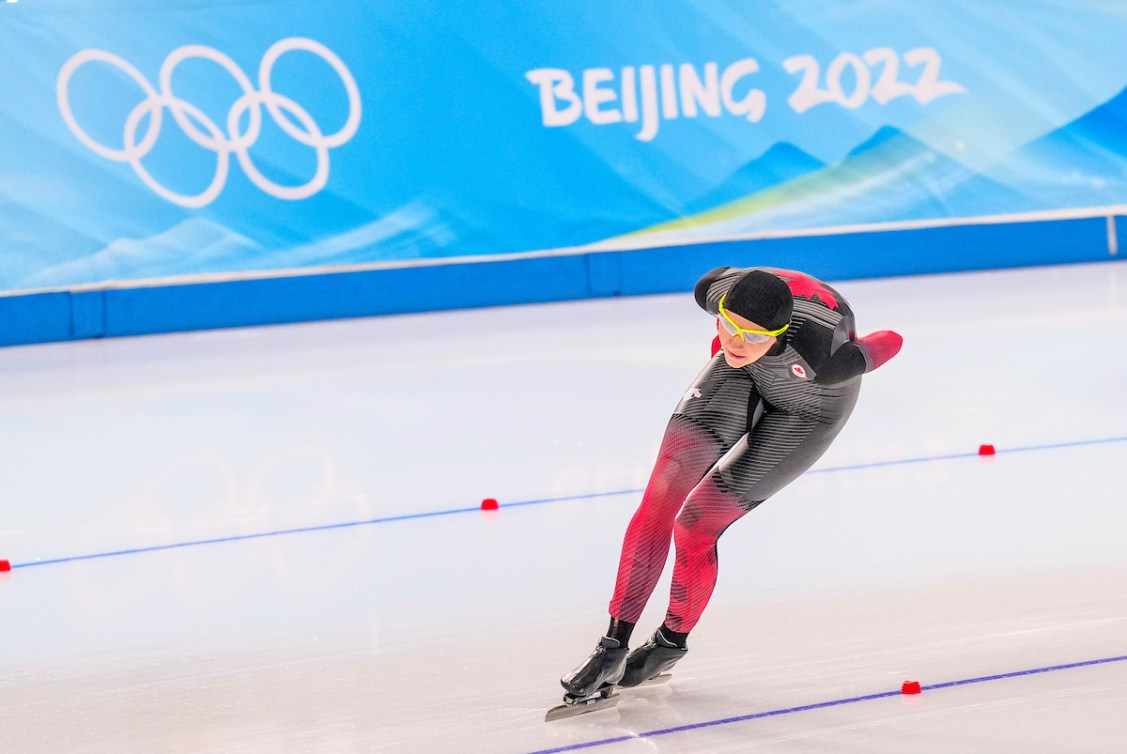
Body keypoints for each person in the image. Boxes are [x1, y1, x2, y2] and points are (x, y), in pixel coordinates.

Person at [560, 265, 903, 701]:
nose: (737, 342)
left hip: (811, 408)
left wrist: (854, 355)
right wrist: (739, 346)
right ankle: (611, 648)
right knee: (661, 498)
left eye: (754, 336)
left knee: (695, 525)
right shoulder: (714, 290)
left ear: (778, 333)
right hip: (744, 377)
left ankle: (669, 643)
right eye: (729, 328)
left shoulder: (825, 356)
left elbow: (893, 339)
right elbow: (732, 318)